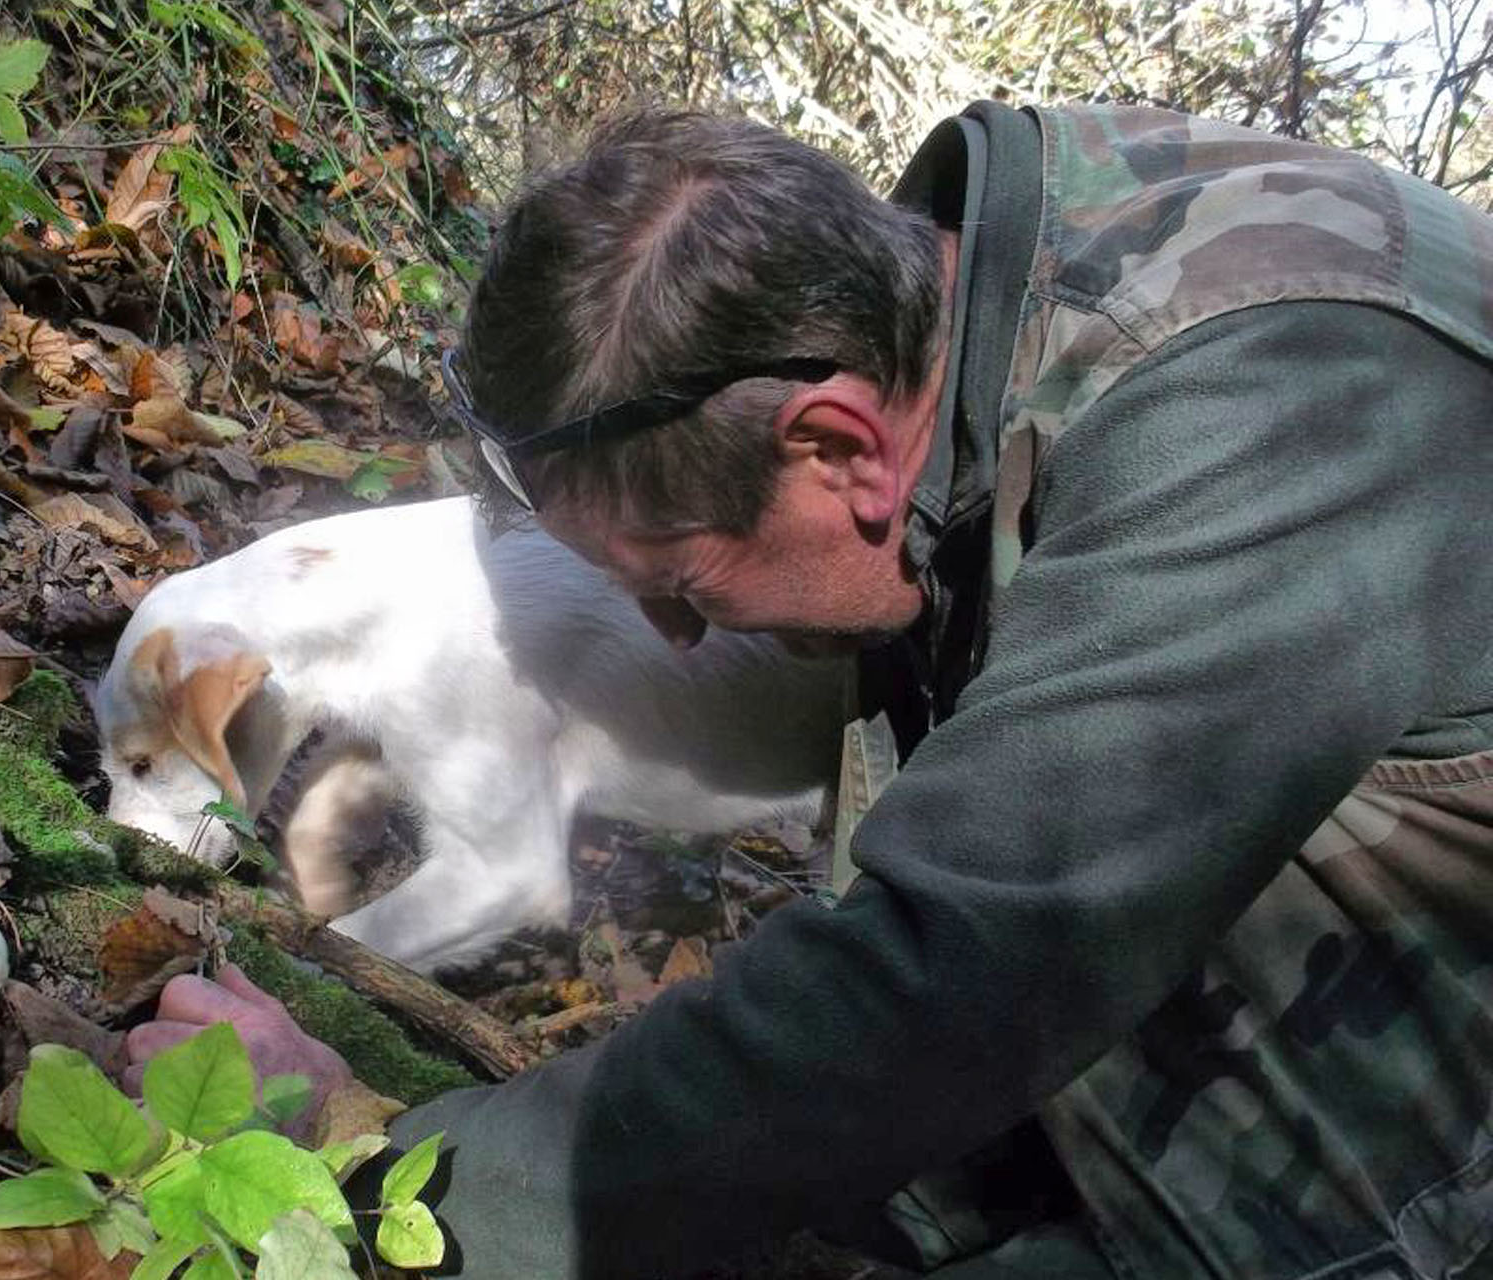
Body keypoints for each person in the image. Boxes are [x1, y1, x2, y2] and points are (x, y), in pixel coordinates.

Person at [127, 102, 1493, 1279]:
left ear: (838, 445)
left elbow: (951, 972)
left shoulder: (1265, 411)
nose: (667, 637)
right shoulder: (969, 301)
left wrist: (382, 1173)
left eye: (684, 581)